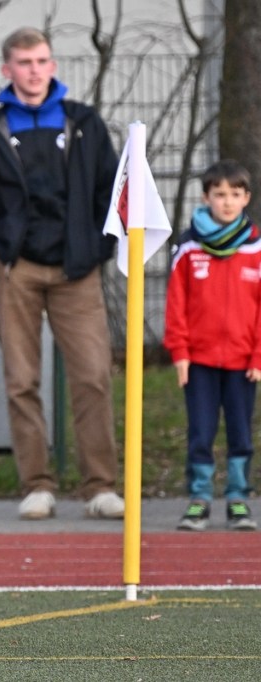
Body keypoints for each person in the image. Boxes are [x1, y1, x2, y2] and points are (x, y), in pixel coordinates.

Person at [0, 27, 125, 521]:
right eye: (25, 62)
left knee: (93, 376)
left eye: (42, 61)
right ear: (7, 69)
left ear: (53, 66)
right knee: (21, 381)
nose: (34, 70)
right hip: (17, 271)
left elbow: (112, 194)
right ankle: (37, 486)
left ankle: (100, 487)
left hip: (78, 270)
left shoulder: (84, 122)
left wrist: (98, 249)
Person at [164, 160, 260, 532]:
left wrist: (257, 355)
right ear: (206, 198)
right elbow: (176, 302)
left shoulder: (255, 247)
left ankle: (238, 499)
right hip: (199, 360)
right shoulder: (188, 246)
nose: (227, 201)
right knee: (201, 432)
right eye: (219, 194)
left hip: (242, 361)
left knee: (240, 432)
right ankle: (199, 499)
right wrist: (180, 352)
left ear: (246, 198)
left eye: (235, 194)